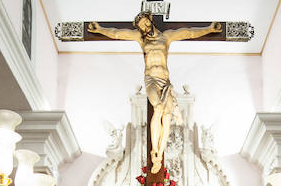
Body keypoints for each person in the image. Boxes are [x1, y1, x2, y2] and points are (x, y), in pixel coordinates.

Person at [87, 12, 221, 173]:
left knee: (167, 116)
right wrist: (100, 29)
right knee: (157, 108)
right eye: (141, 26)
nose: (144, 28)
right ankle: (154, 150)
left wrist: (209, 29)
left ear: (150, 20)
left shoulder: (167, 37)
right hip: (151, 80)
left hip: (165, 81)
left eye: (145, 23)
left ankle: (159, 152)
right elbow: (117, 33)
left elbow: (189, 32)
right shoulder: (141, 39)